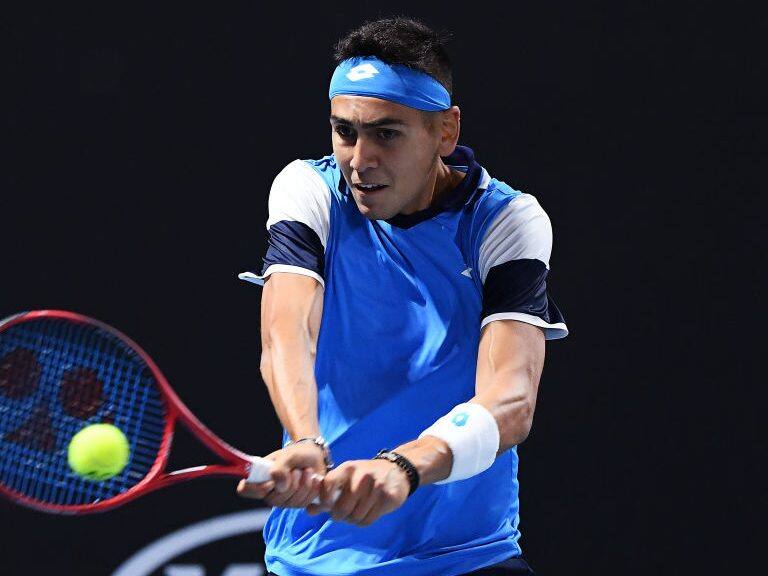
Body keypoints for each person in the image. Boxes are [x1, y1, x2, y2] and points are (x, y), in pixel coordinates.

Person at [236, 16, 567, 576]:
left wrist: (404, 467)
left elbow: (512, 399)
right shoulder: (308, 191)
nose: (360, 160)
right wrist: (308, 437)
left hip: (466, 558)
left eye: (386, 133)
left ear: (445, 131)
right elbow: (288, 334)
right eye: (345, 132)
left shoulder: (504, 222)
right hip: (313, 557)